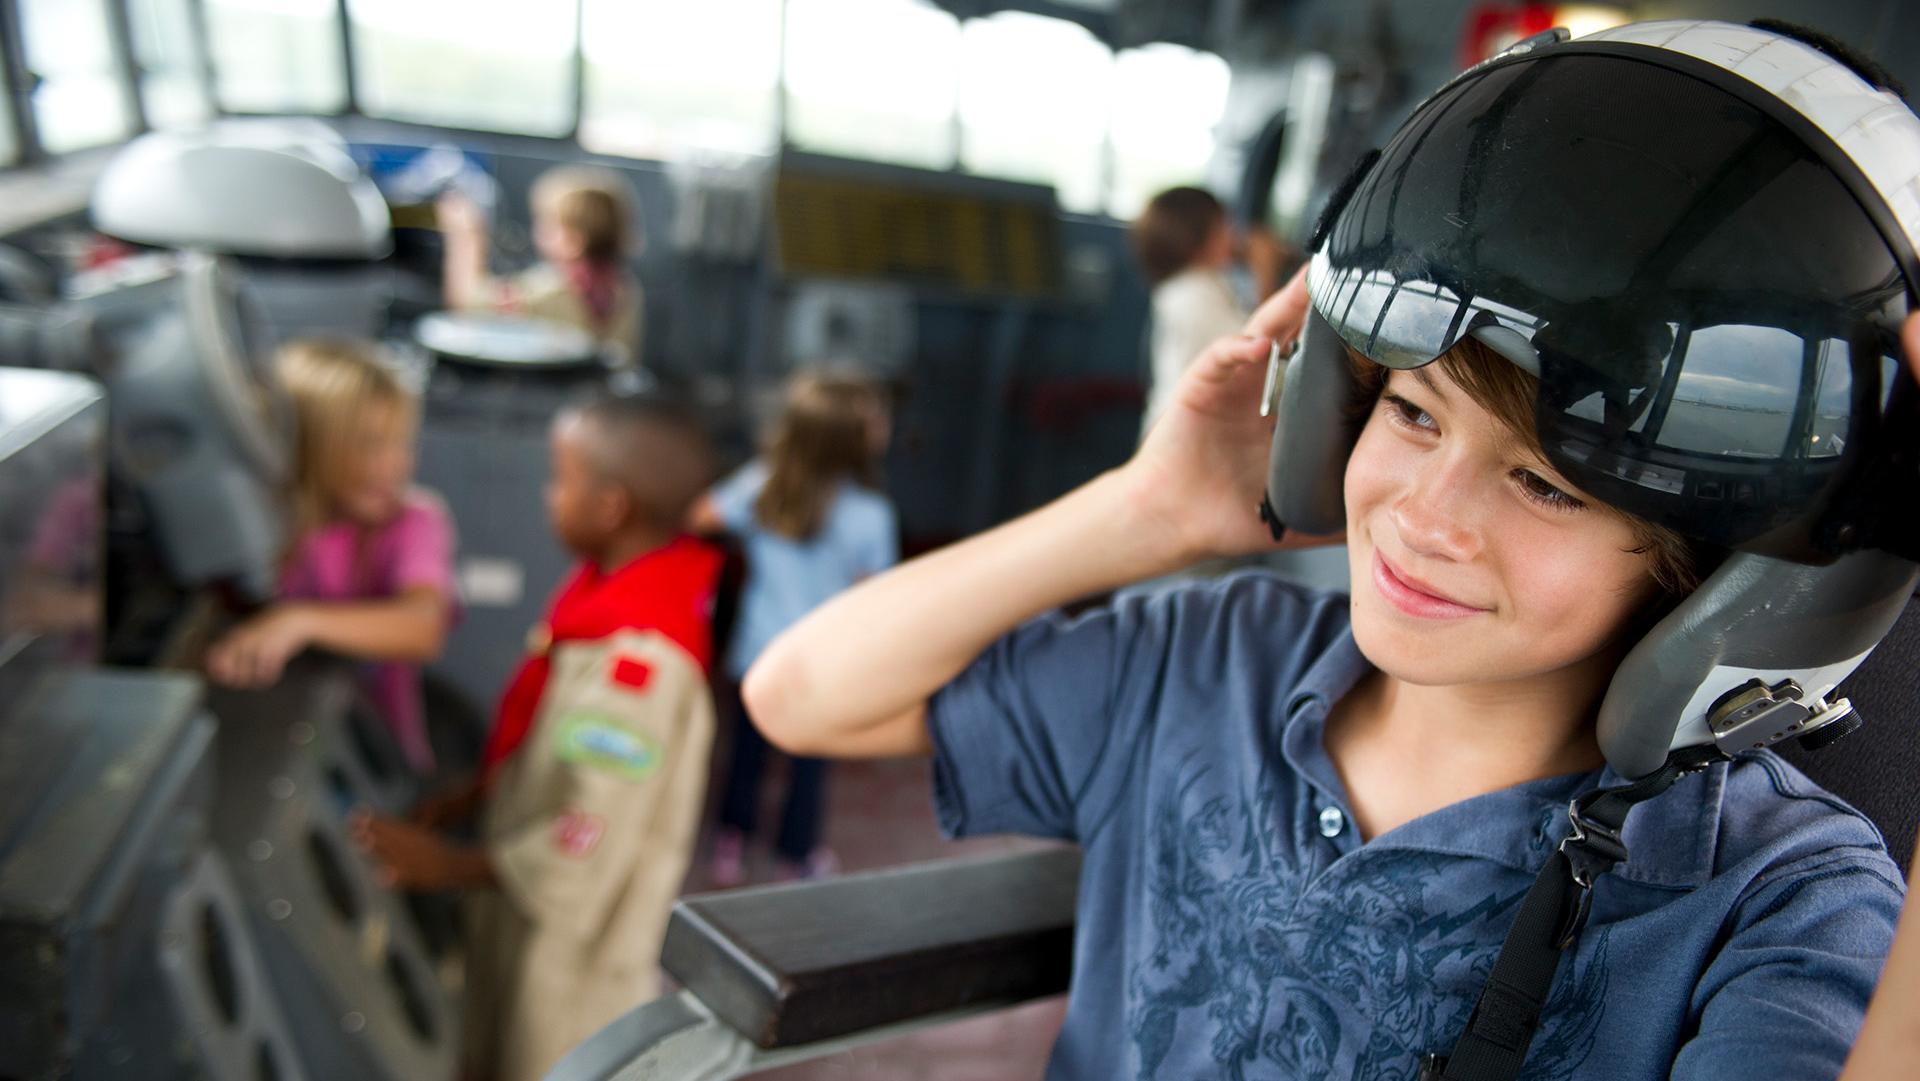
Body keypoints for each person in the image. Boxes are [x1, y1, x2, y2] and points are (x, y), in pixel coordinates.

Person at [744, 21, 1920, 1081]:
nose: (1425, 513)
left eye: (1543, 483)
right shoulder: (1209, 661)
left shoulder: (1774, 894)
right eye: (1412, 413)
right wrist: (1150, 508)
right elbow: (806, 695)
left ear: (1722, 578)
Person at [352, 393, 723, 1081]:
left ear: (611, 506)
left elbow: (586, 837)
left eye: (561, 479)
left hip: (571, 961)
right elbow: (560, 750)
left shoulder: (636, 666)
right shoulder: (606, 594)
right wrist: (472, 798)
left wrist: (447, 864)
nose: (549, 496)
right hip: (523, 915)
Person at [206, 338, 455, 776]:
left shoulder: (415, 521)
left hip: (371, 751)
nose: (396, 464)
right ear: (310, 445)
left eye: (401, 443)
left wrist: (299, 621)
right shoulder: (262, 522)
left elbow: (424, 626)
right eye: (370, 446)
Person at [690, 370, 898, 884]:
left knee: (745, 753)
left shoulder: (760, 485)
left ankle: (730, 845)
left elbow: (700, 517)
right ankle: (796, 853)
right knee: (811, 762)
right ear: (853, 439)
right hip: (824, 662)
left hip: (755, 650)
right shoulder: (871, 515)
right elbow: (882, 597)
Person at [439, 164, 644, 362]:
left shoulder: (550, 292)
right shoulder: (626, 290)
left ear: (573, 241)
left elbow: (468, 304)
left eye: (547, 223)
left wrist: (467, 238)